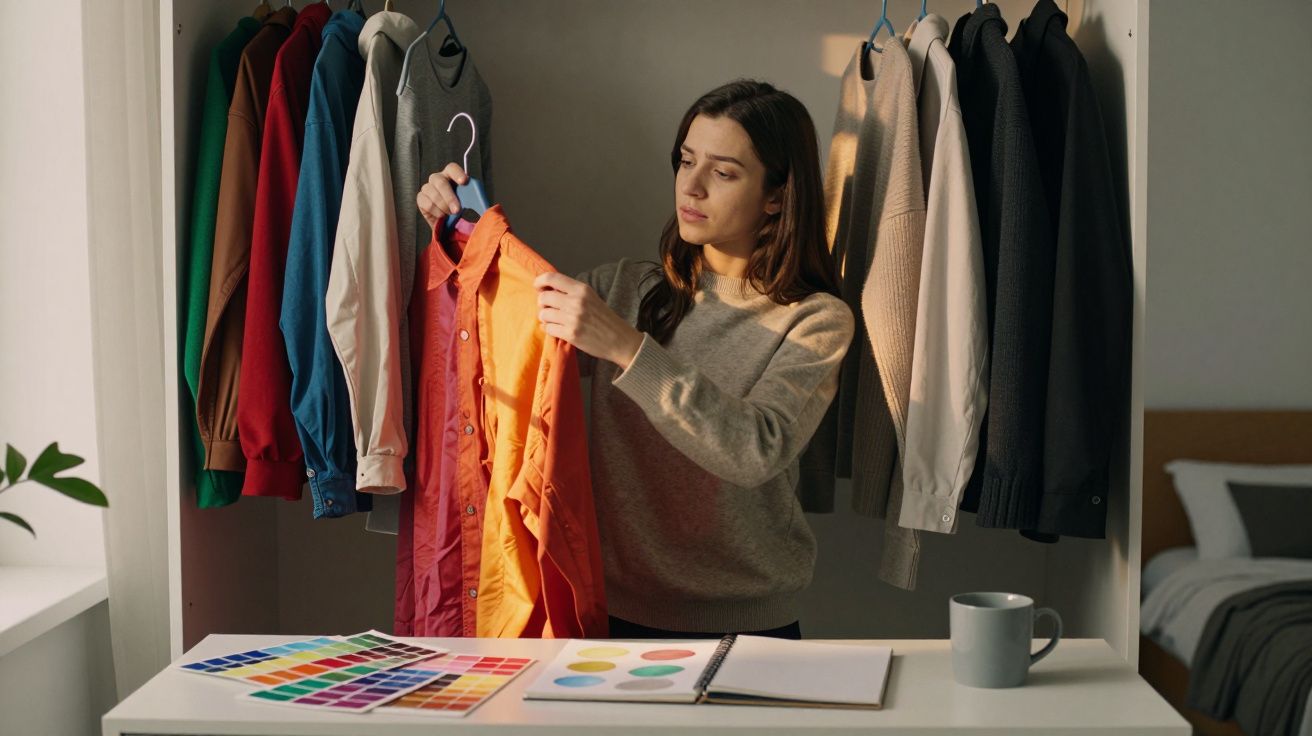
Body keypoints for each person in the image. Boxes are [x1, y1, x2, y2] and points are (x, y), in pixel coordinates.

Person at [415, 80, 854, 640]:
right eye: (686, 161)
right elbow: (498, 349)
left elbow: (754, 451)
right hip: (608, 614)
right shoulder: (622, 287)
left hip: (748, 626)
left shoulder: (815, 320)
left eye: (722, 172)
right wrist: (460, 231)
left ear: (776, 194)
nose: (690, 187)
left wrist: (626, 348)